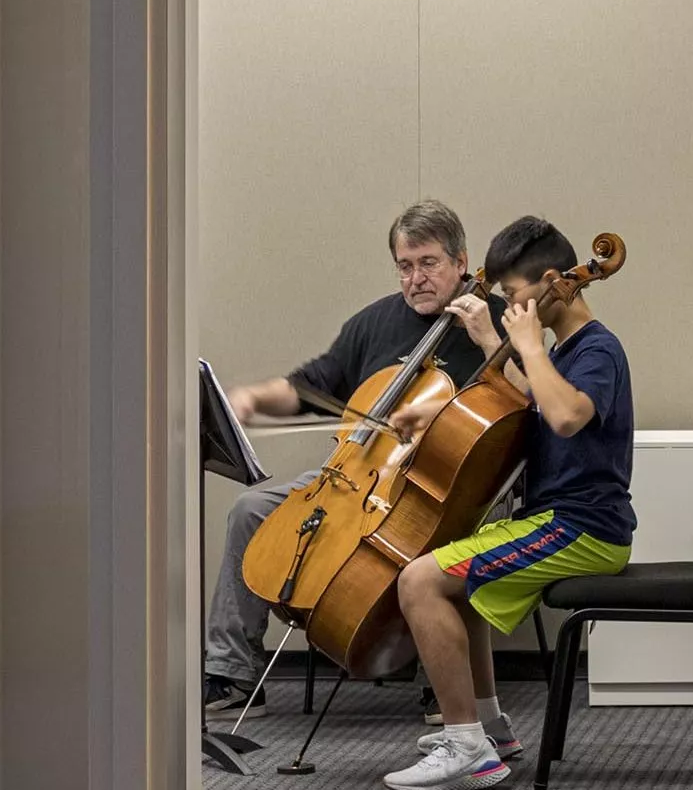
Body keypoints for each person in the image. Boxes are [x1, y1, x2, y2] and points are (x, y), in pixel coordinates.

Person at [202, 200, 504, 721]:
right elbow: (307, 387)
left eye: (429, 263)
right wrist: (250, 399)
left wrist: (490, 343)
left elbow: (522, 403)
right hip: (360, 473)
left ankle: (446, 679)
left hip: (453, 485)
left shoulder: (493, 323)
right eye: (405, 266)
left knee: (439, 533)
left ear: (461, 262)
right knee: (251, 510)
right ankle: (231, 671)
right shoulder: (374, 322)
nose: (416, 279)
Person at [378, 216, 637, 790]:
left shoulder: (597, 350)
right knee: (452, 570)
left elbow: (567, 416)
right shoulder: (562, 352)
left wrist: (522, 343)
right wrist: (493, 350)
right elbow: (531, 399)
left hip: (584, 529)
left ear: (551, 282)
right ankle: (489, 725)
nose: (512, 309)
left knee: (420, 582)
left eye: (516, 298)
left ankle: (466, 745)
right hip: (557, 521)